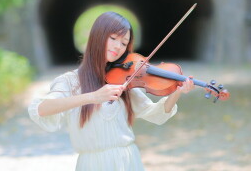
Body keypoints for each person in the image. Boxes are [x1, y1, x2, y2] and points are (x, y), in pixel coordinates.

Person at [28, 11, 195, 170]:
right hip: (93, 164)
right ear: (98, 36)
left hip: (128, 160)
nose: (118, 46)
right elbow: (41, 109)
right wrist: (93, 97)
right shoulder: (71, 81)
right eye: (113, 38)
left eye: (124, 43)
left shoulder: (123, 80)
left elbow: (155, 114)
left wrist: (177, 91)